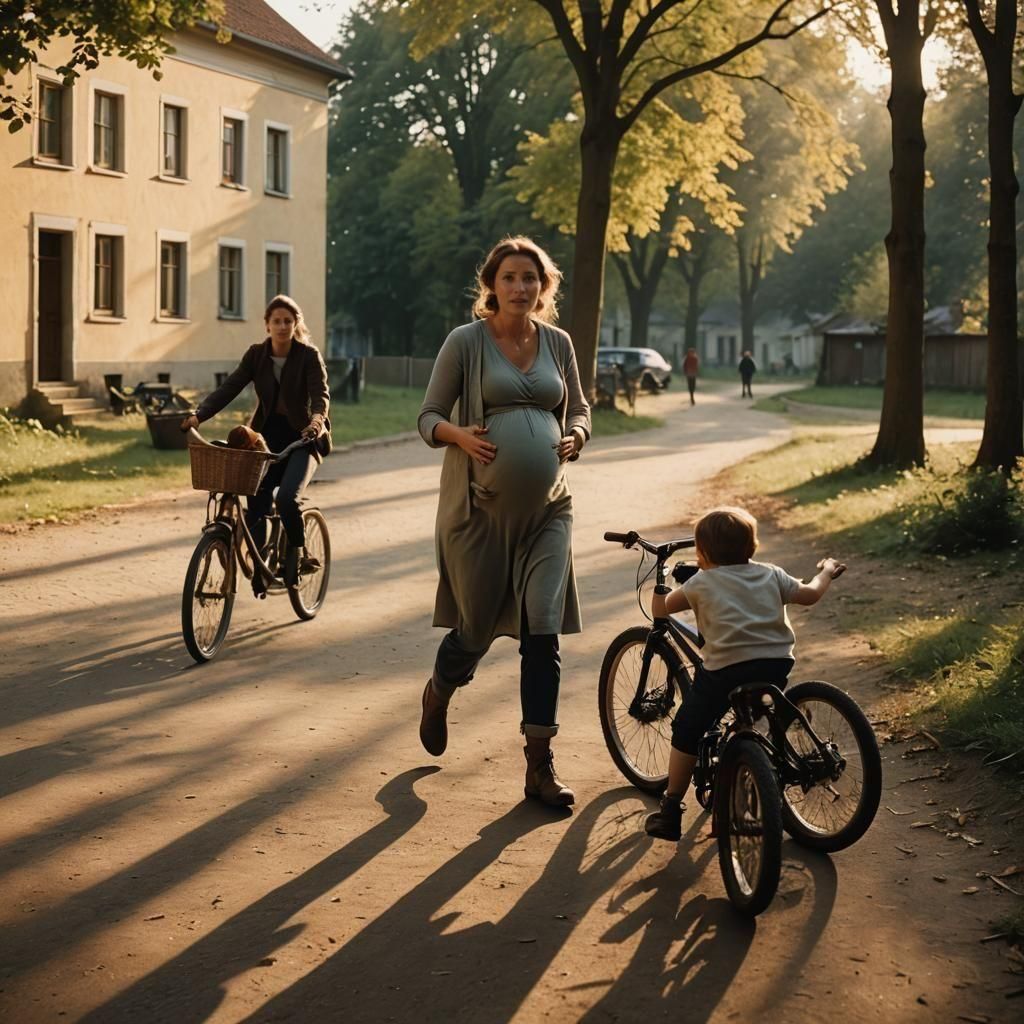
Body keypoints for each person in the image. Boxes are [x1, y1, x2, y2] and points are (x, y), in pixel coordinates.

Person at [417, 236, 592, 807]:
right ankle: (441, 690)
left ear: (544, 288)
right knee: (474, 628)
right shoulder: (466, 343)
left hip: (548, 510)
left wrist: (578, 434)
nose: (520, 287)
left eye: (530, 278)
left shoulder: (558, 343)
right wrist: (460, 435)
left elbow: (581, 406)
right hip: (479, 512)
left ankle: (539, 767)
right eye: (510, 277)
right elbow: (428, 416)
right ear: (491, 284)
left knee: (541, 627)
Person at [643, 506, 845, 841]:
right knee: (753, 710)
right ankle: (753, 758)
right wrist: (826, 571)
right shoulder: (771, 573)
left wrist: (661, 578)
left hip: (724, 673)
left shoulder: (701, 582)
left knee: (687, 727)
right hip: (776, 666)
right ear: (752, 547)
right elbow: (809, 594)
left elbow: (660, 610)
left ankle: (670, 808)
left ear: (703, 553)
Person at [181, 295, 331, 593]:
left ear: (295, 324)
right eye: (276, 321)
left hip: (304, 439)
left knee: (287, 498)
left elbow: (320, 395)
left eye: (288, 321)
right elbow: (230, 388)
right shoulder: (256, 356)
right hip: (265, 437)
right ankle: (261, 560)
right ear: (267, 325)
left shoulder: (308, 356)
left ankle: (299, 553)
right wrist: (199, 415)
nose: (282, 326)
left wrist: (317, 421)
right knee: (257, 496)